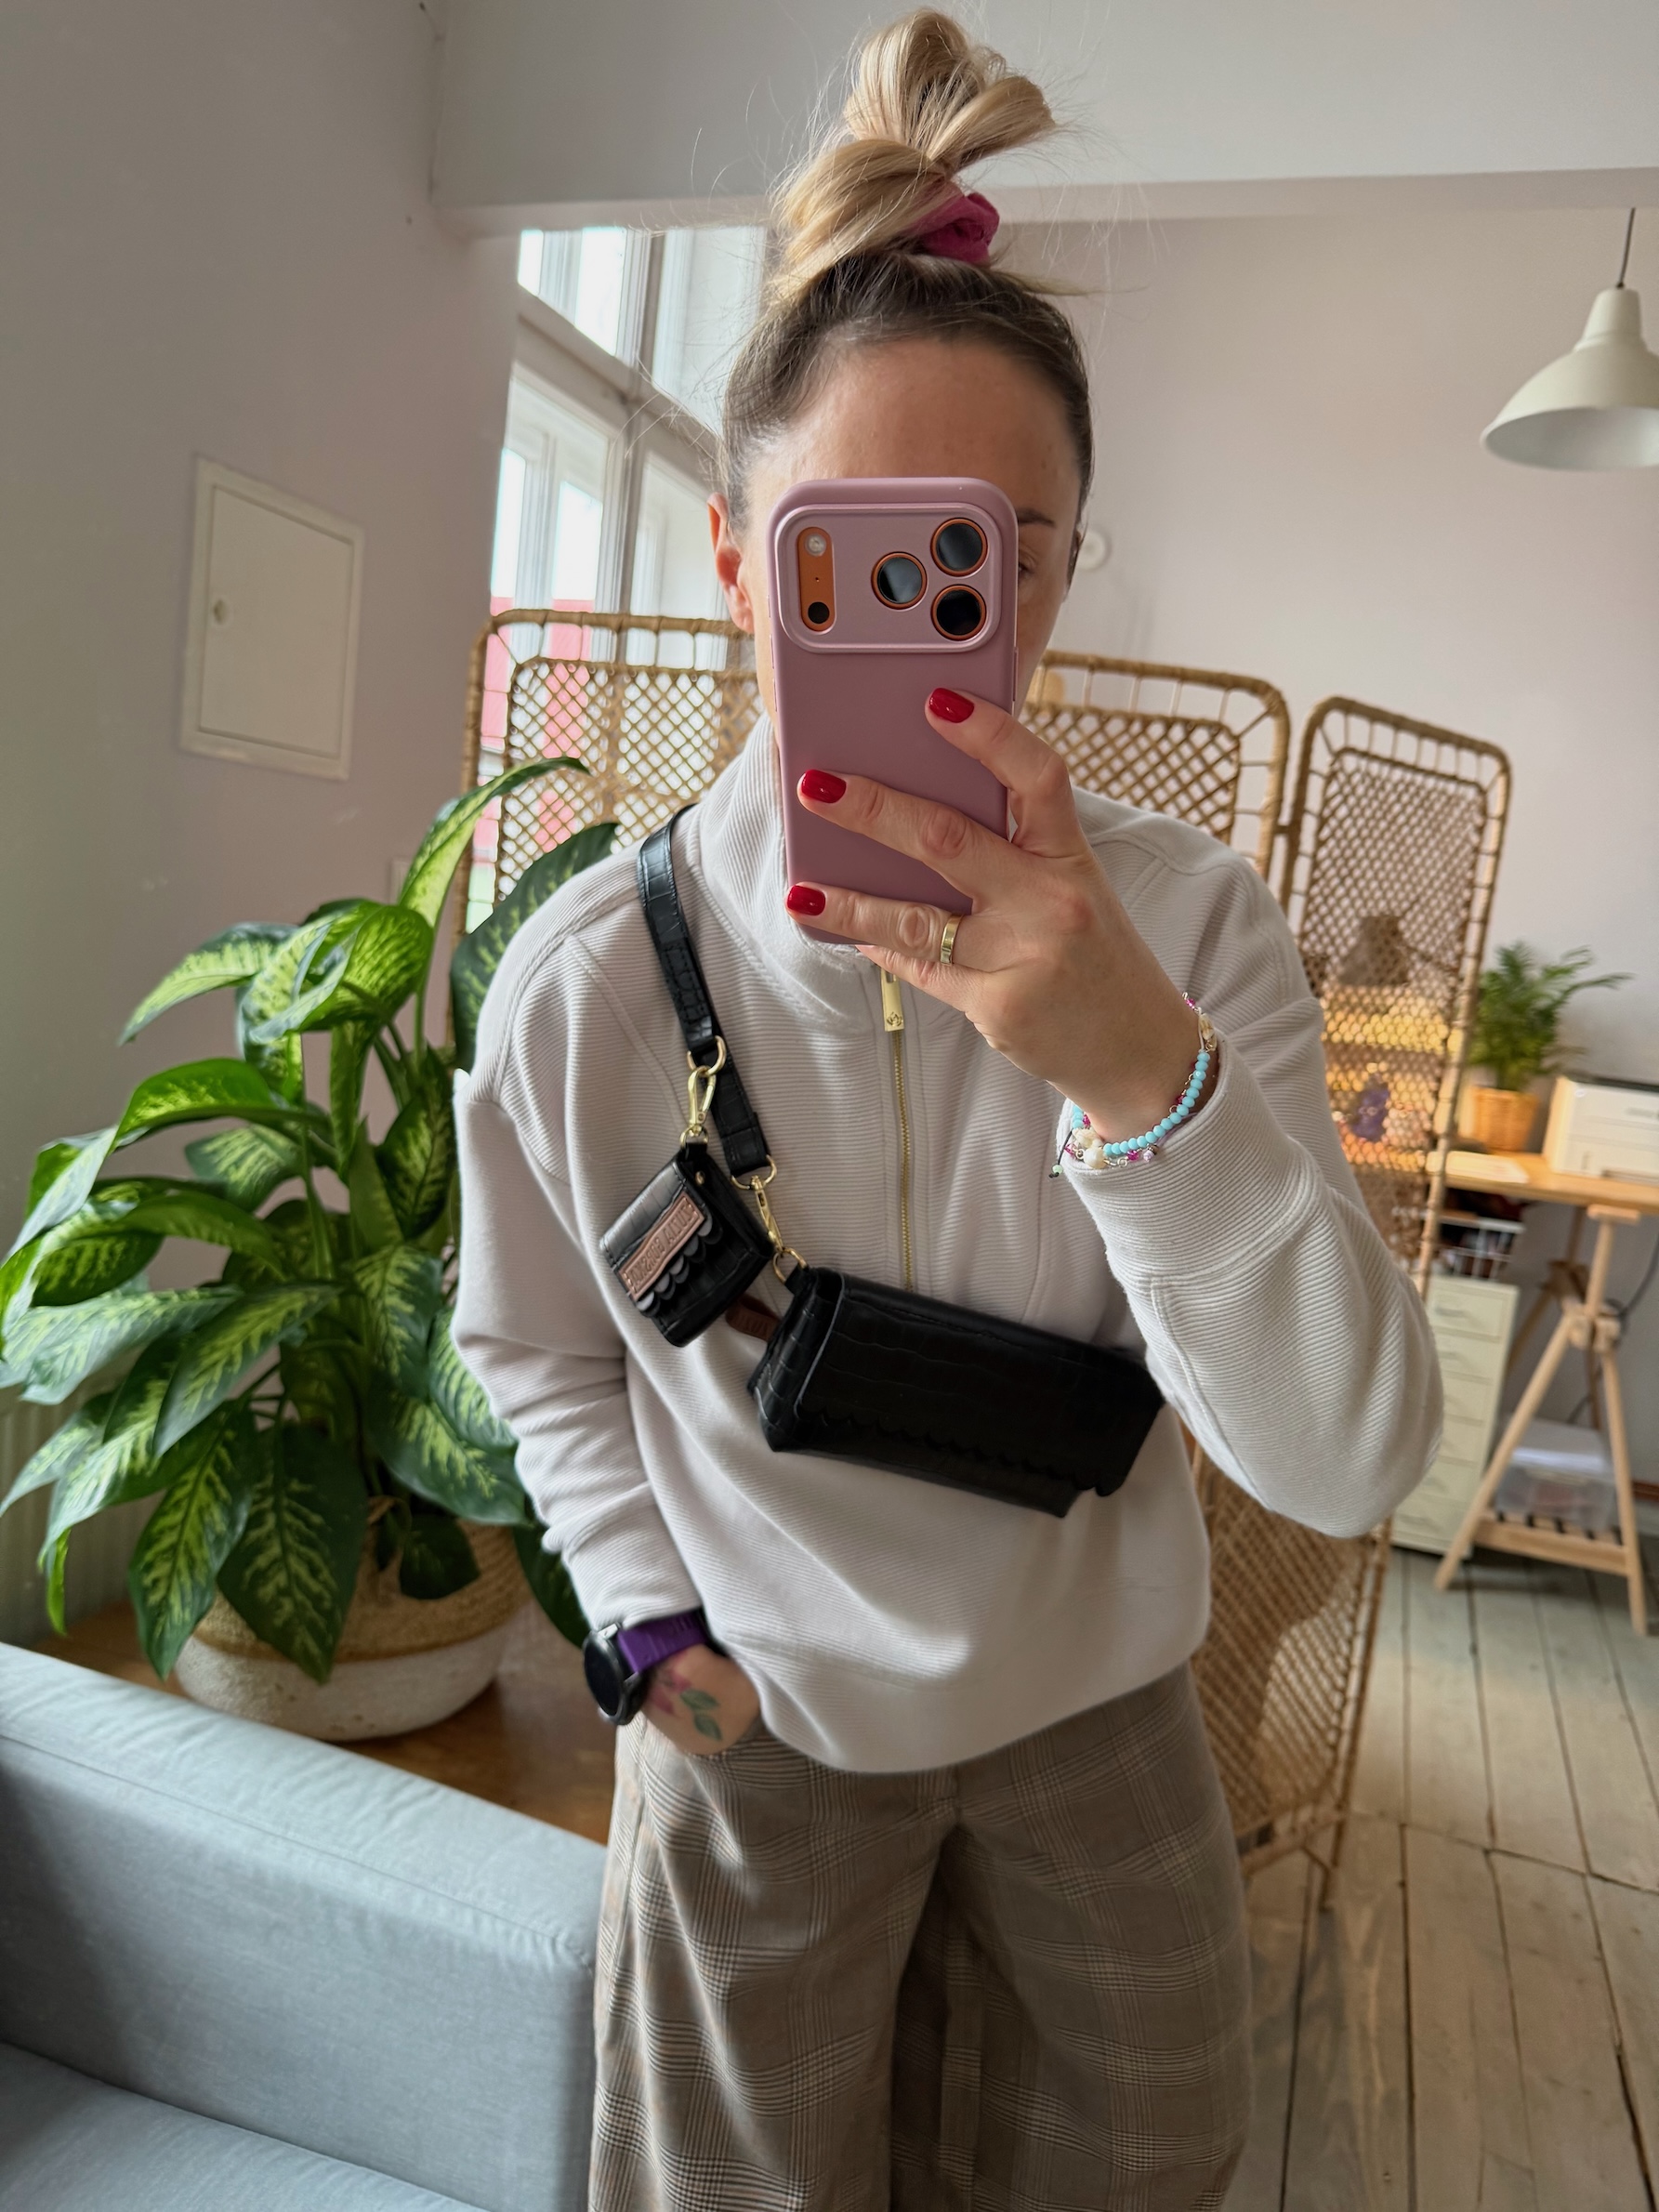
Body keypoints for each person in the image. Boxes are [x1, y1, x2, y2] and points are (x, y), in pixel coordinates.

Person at [453, 12, 1442, 2208]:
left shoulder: (1192, 934)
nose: (915, 614)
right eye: (843, 553)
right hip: (756, 1715)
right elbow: (529, 1340)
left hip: (1101, 1708)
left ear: (1058, 576)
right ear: (733, 560)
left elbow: (1348, 1452)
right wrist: (649, 1632)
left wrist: (1131, 1063)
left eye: (982, 553)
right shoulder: (586, 983)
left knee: (1140, 2157)